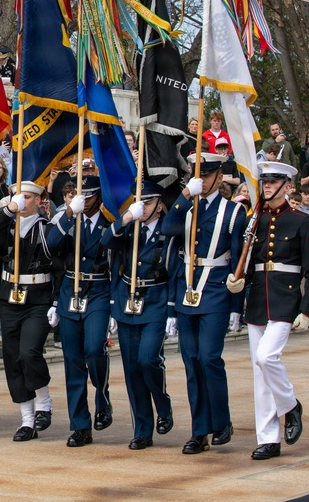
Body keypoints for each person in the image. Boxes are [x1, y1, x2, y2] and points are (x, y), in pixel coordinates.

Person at [161, 152, 246, 455]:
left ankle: (221, 422)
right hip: (187, 293)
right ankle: (200, 431)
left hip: (216, 291)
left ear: (219, 177)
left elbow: (238, 261)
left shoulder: (233, 211)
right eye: (196, 175)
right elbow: (167, 229)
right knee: (192, 362)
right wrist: (185, 195)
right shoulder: (186, 206)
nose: (201, 180)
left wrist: (236, 306)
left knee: (209, 358)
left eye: (207, 175)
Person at [235, 161, 309, 461]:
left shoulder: (301, 222)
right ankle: (268, 439)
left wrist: (307, 309)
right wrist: (239, 280)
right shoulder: (254, 220)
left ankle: (291, 406)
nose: (267, 186)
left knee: (267, 357)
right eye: (265, 181)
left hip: (285, 299)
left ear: (287, 186)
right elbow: (248, 261)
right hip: (259, 298)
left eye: (273, 181)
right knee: (260, 373)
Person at [102, 181, 174, 450]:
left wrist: (172, 310)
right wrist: (125, 218)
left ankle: (163, 405)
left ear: (159, 205)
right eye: (139, 202)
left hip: (155, 300)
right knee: (132, 368)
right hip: (127, 300)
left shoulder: (168, 230)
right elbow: (106, 241)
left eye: (148, 202)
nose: (142, 207)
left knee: (148, 359)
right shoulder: (129, 227)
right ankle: (142, 429)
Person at [45, 175, 115, 448]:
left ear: (100, 197)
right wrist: (68, 214)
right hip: (69, 292)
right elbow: (50, 245)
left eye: (89, 196)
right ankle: (80, 425)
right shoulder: (68, 220)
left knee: (95, 349)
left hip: (98, 292)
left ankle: (102, 396)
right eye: (79, 196)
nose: (84, 201)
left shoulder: (109, 223)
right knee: (73, 361)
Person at [0, 182, 56, 442]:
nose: (22, 201)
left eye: (27, 197)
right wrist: (8, 210)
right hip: (10, 298)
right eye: (18, 196)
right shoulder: (7, 225)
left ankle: (44, 402)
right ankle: (27, 420)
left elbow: (58, 264)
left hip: (38, 299)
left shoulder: (46, 228)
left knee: (29, 352)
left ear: (38, 200)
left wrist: (56, 303)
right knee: (13, 358)